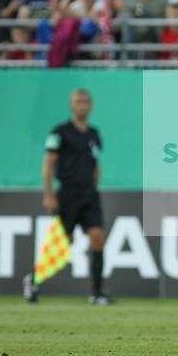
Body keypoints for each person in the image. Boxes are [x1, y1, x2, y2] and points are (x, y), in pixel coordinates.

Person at [24, 89, 112, 305]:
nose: (83, 104)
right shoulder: (60, 132)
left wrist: (94, 187)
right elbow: (48, 164)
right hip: (68, 193)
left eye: (86, 100)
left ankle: (97, 293)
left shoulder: (94, 134)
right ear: (71, 105)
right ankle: (32, 280)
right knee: (63, 244)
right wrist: (49, 194)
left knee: (98, 238)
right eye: (78, 101)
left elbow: (96, 165)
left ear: (91, 105)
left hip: (89, 194)